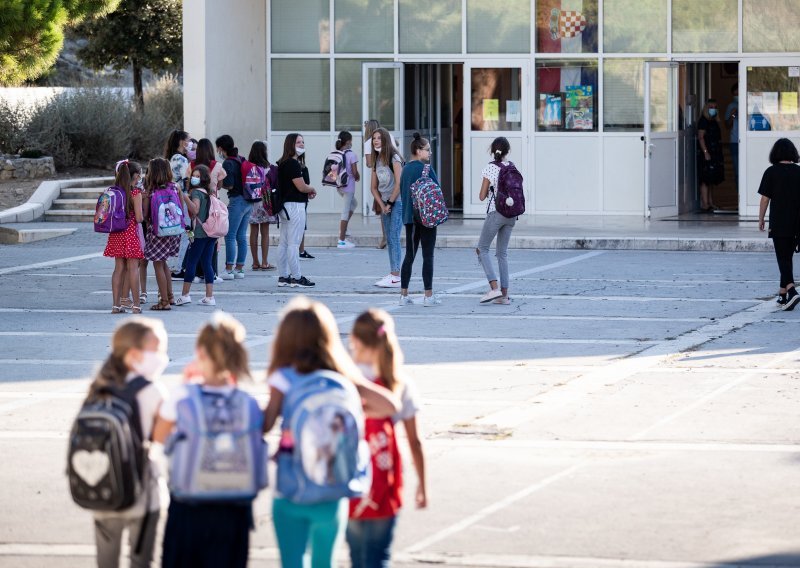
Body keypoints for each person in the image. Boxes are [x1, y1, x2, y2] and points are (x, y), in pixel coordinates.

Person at [262, 297, 400, 568]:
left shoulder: (284, 378)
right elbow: (389, 405)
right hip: (332, 490)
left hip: (291, 490)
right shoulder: (342, 377)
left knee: (292, 562)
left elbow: (265, 425)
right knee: (323, 563)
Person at [154, 314, 256, 568]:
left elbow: (159, 436)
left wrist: (187, 383)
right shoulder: (248, 402)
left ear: (200, 352)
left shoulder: (183, 397)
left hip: (190, 503)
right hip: (234, 504)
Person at [346, 309, 427, 568]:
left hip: (351, 475)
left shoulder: (347, 381)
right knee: (379, 555)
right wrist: (422, 484)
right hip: (386, 477)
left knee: (357, 556)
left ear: (356, 340)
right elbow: (414, 442)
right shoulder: (399, 381)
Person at [90, 317, 169, 568]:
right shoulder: (151, 391)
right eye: (156, 350)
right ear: (135, 354)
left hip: (104, 487)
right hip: (142, 490)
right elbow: (161, 437)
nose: (161, 357)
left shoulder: (100, 384)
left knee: (106, 560)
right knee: (141, 560)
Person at [398, 133, 441, 307]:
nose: (430, 153)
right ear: (418, 150)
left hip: (410, 218)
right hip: (427, 218)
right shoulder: (426, 169)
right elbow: (437, 189)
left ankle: (403, 295)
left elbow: (403, 192)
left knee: (409, 255)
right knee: (428, 256)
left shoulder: (405, 169)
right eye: (427, 150)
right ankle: (428, 296)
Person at [758, 138, 800, 311]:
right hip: (797, 223)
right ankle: (783, 295)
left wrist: (761, 219)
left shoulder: (771, 172)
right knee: (787, 257)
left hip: (780, 222)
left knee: (782, 258)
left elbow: (765, 199)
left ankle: (791, 290)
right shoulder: (799, 172)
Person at [476, 137, 517, 305]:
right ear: (507, 151)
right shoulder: (512, 166)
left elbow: (481, 196)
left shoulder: (490, 168)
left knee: (482, 249)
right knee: (502, 253)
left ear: (492, 151)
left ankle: (494, 288)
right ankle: (504, 295)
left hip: (496, 213)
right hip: (512, 214)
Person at [276, 133, 317, 288]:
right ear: (290, 145)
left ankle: (283, 276)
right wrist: (312, 189)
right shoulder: (292, 164)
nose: (301, 144)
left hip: (285, 207)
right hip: (294, 206)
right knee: (293, 243)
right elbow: (301, 186)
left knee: (284, 242)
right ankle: (297, 277)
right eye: (298, 142)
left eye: (302, 142)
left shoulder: (283, 162)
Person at [104, 160, 144, 314]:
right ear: (135, 176)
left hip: (115, 233)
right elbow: (139, 218)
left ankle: (116, 305)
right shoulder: (135, 193)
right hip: (130, 233)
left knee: (118, 269)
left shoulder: (113, 191)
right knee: (133, 268)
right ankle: (136, 305)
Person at [174, 165, 217, 307]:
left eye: (198, 176)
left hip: (199, 233)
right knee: (207, 263)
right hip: (211, 232)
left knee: (191, 262)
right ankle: (209, 297)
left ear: (203, 178)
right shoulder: (209, 192)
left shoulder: (197, 193)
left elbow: (195, 209)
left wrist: (185, 197)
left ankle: (185, 295)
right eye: (194, 175)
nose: (194, 178)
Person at [143, 158, 180, 311]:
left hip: (158, 232)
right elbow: (180, 208)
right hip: (174, 231)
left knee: (158, 263)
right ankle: (170, 296)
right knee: (164, 263)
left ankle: (164, 301)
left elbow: (145, 215)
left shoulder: (150, 192)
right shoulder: (175, 187)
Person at [370, 128, 404, 288]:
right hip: (385, 203)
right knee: (389, 239)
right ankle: (393, 272)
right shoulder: (376, 160)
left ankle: (396, 276)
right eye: (374, 138)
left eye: (379, 138)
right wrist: (382, 205)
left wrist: (389, 203)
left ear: (385, 140)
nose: (376, 140)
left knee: (394, 237)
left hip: (397, 202)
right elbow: (373, 188)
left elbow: (399, 183)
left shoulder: (394, 158)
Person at [217, 134, 253, 280]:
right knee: (241, 236)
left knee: (230, 235)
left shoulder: (228, 163)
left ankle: (228, 269)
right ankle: (239, 268)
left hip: (237, 201)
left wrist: (220, 182)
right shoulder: (241, 159)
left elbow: (229, 184)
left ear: (220, 148)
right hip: (248, 201)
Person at [191, 138, 227, 283]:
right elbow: (220, 185)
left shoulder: (191, 165)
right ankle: (212, 272)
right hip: (213, 205)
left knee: (197, 236)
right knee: (213, 236)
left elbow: (189, 180)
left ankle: (197, 273)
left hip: (196, 201)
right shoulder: (217, 165)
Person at [164, 130, 191, 280]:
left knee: (175, 232)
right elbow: (187, 180)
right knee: (185, 233)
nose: (190, 143)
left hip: (171, 199)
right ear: (182, 141)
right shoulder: (181, 159)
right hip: (182, 199)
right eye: (189, 140)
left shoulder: (171, 158)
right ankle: (177, 267)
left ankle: (172, 265)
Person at [247, 140, 278, 270]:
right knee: (265, 232)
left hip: (252, 201)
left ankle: (255, 262)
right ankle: (265, 262)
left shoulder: (249, 166)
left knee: (253, 231)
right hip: (265, 202)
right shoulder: (269, 167)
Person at [334, 131, 360, 249]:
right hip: (349, 187)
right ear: (348, 141)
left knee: (354, 204)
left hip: (339, 187)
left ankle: (344, 228)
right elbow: (355, 172)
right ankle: (341, 240)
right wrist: (357, 177)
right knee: (345, 211)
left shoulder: (336, 153)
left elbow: (332, 171)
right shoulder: (351, 155)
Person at [698, 99, 724, 212]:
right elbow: (701, 137)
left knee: (711, 178)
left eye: (715, 107)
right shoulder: (703, 121)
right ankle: (705, 204)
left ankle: (710, 202)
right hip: (707, 153)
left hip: (715, 152)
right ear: (706, 108)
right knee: (705, 179)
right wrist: (705, 152)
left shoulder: (713, 121)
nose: (713, 109)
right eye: (710, 107)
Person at [364, 119, 387, 250]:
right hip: (389, 172)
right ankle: (388, 236)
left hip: (380, 176)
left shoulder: (369, 142)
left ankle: (385, 237)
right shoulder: (386, 139)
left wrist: (376, 161)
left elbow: (369, 163)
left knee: (383, 206)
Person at [725, 84, 739, 186]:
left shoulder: (750, 104)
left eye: (738, 93)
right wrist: (733, 114)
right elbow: (727, 125)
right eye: (735, 94)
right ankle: (739, 194)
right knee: (737, 170)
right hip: (735, 141)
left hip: (748, 139)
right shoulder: (731, 106)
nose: (737, 96)